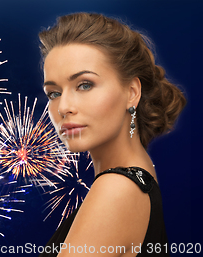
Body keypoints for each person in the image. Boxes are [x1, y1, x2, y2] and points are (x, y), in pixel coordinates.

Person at [38, 13, 186, 256]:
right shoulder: (139, 178)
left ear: (131, 92)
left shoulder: (118, 188)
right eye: (53, 93)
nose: (63, 107)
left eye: (84, 85)